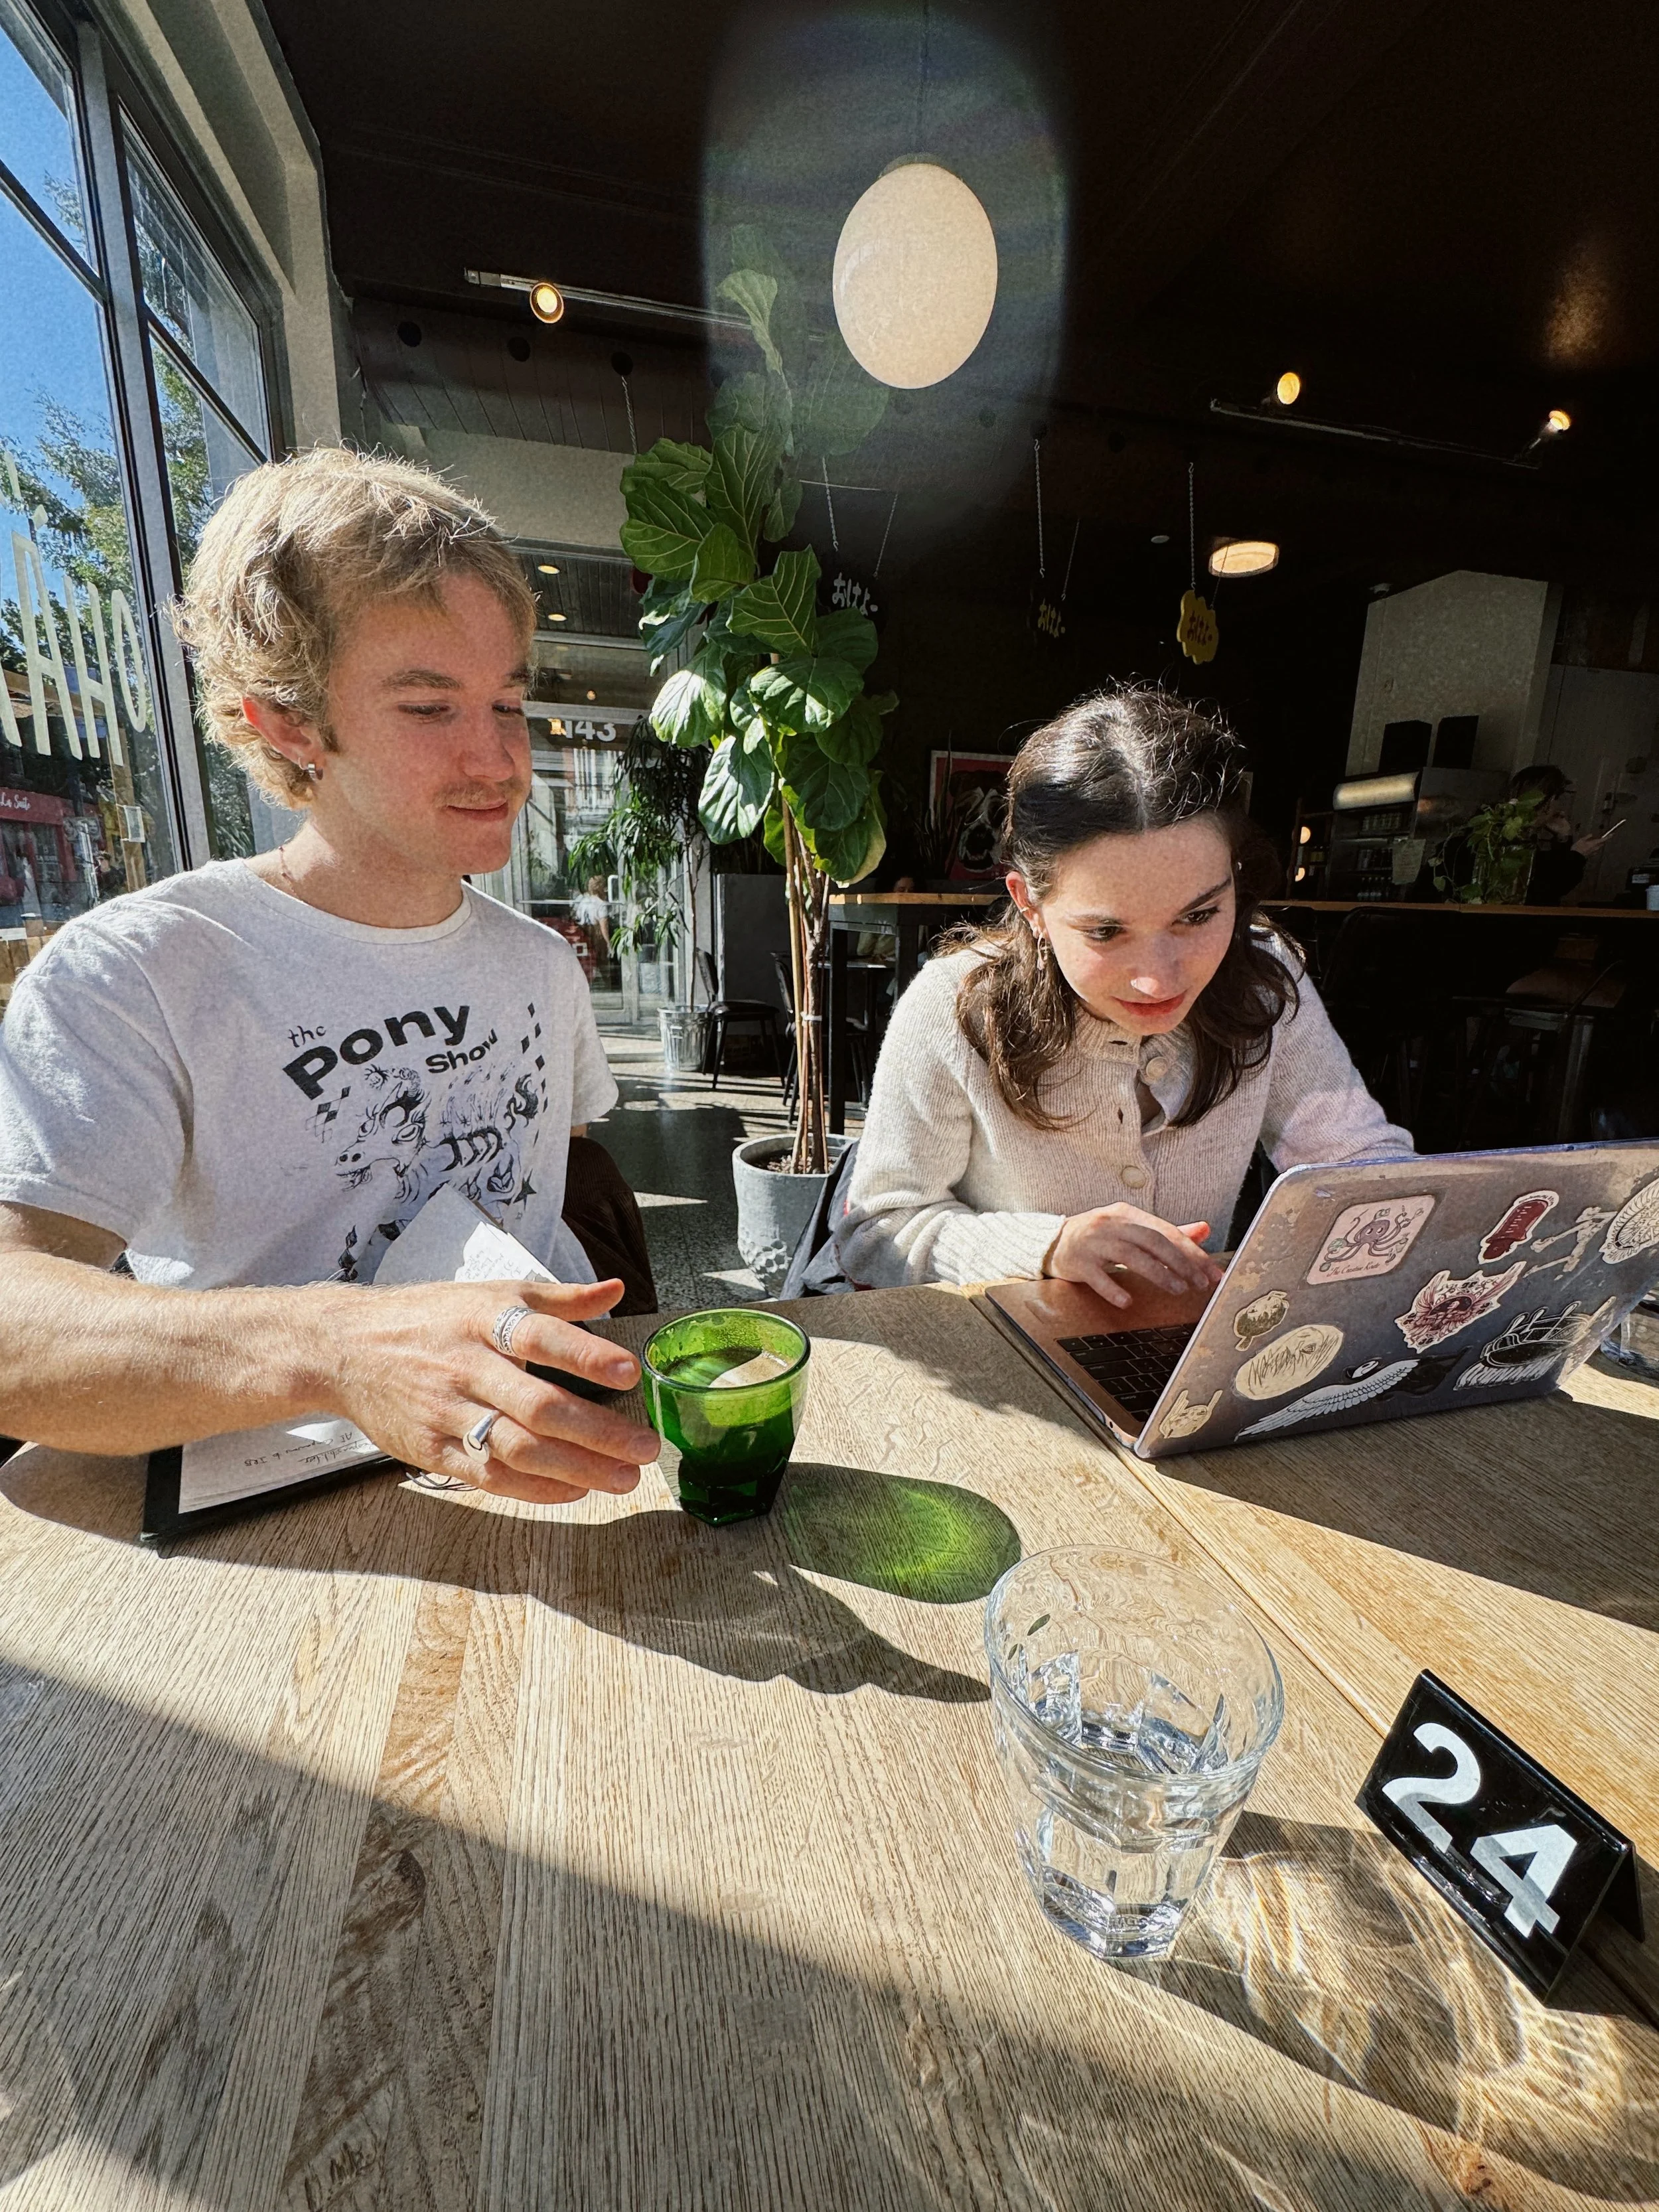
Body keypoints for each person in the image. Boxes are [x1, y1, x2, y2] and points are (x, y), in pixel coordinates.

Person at [0, 448, 660, 1504]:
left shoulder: (542, 965)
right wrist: (340, 1350)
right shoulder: (137, 972)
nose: (501, 761)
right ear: (289, 722)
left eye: (506, 702)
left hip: (548, 1456)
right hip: (282, 1509)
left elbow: (551, 1182)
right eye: (430, 708)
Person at [836, 686, 1414, 1304]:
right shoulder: (953, 1007)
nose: (1159, 981)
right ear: (1030, 904)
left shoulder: (1263, 978)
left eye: (1198, 916)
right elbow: (876, 1231)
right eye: (1106, 932)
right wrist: (1049, 1247)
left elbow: (1361, 1164)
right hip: (1004, 1345)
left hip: (1189, 1344)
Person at [1509, 765, 1617, 905]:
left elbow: (1550, 873)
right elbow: (1545, 890)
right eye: (1559, 799)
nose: (1560, 807)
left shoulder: (1522, 833)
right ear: (1550, 800)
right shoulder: (1508, 835)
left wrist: (1563, 838)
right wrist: (1577, 856)